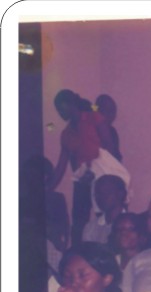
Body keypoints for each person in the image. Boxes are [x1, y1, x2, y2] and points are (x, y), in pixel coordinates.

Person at [50, 89, 130, 246]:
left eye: (61, 108)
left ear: (71, 104)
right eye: (57, 110)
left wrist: (112, 180)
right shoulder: (66, 133)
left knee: (109, 218)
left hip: (104, 177)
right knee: (79, 223)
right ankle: (79, 253)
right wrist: (47, 189)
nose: (60, 113)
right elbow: (61, 166)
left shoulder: (94, 118)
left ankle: (113, 250)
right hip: (83, 180)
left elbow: (110, 148)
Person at [82, 175, 129, 245]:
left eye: (106, 192)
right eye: (97, 194)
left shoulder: (132, 226)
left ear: (120, 194)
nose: (100, 197)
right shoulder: (91, 227)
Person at [94, 94, 122, 162]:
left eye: (113, 112)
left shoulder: (112, 132)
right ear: (98, 110)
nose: (112, 115)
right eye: (109, 111)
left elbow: (116, 158)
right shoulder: (87, 129)